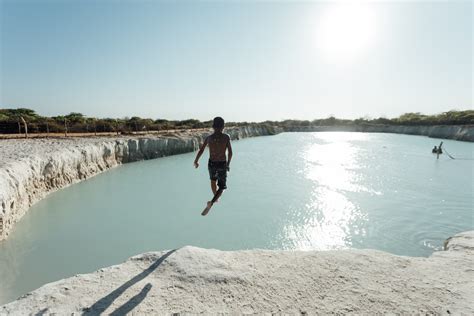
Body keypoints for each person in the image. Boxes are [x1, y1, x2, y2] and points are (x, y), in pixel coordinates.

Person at [194, 117, 233, 216]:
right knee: (222, 187)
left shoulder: (209, 138)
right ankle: (211, 202)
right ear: (223, 126)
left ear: (213, 126)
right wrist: (228, 164)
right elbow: (230, 153)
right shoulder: (226, 137)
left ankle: (215, 197)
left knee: (213, 180)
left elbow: (201, 150)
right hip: (222, 164)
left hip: (211, 164)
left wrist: (196, 161)